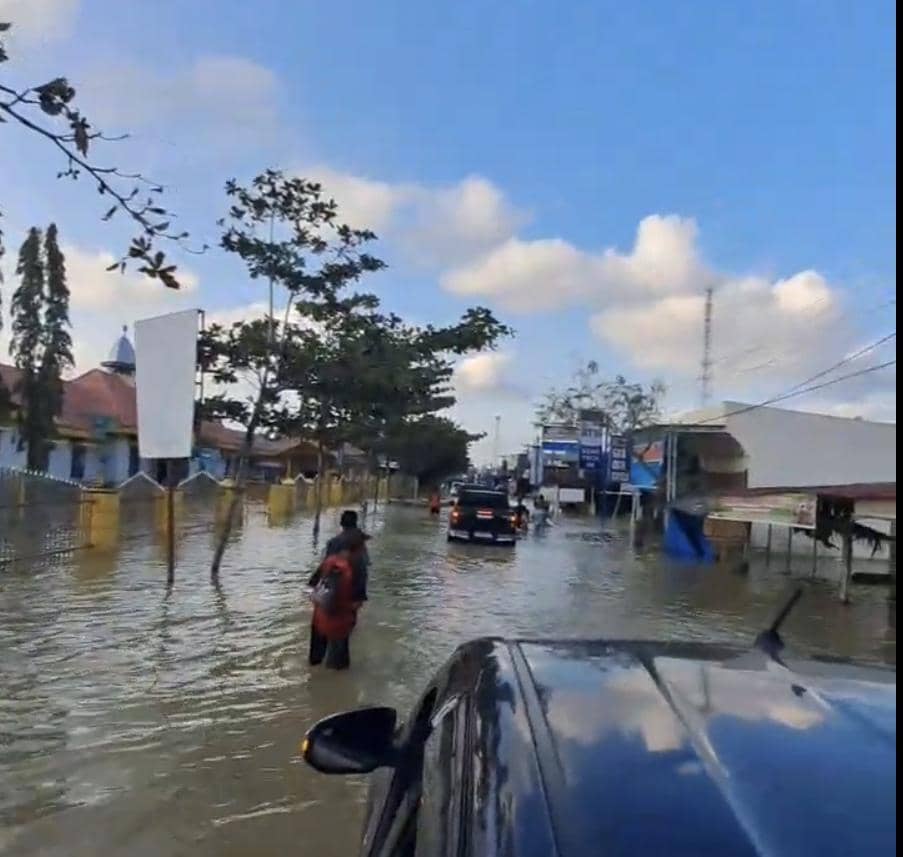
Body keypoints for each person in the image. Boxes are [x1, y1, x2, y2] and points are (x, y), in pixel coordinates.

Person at [308, 529, 367, 669]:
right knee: (338, 668)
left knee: (315, 661)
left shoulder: (329, 561)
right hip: (340, 623)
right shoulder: (358, 568)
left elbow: (311, 586)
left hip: (319, 618)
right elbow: (357, 602)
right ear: (357, 548)